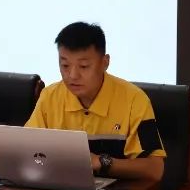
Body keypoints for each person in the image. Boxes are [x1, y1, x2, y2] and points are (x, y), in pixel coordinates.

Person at [25, 21, 165, 180]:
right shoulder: (50, 97)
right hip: (60, 187)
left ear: (105, 62)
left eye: (84, 66)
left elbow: (154, 168)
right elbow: (26, 150)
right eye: (65, 65)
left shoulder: (134, 100)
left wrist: (102, 162)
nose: (72, 75)